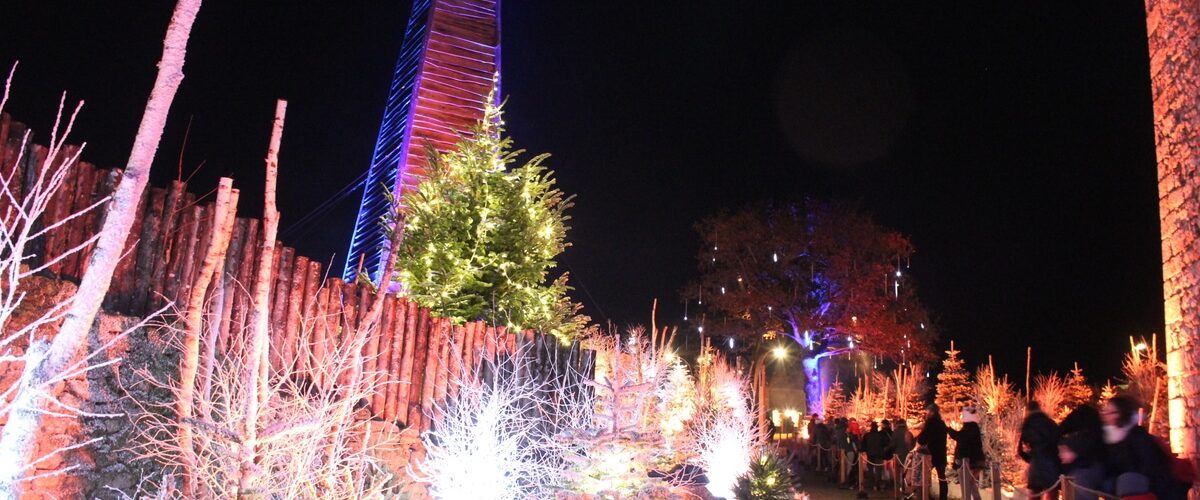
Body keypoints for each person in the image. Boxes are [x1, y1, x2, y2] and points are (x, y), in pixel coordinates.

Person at [1102, 395, 1188, 500]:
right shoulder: (1109, 437)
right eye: (1105, 411)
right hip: (1130, 487)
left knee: (1127, 480)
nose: (1105, 415)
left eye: (1111, 412)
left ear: (1122, 414)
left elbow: (1150, 466)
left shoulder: (1137, 435)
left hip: (1156, 488)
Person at [1057, 404, 1105, 500]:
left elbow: (1061, 430)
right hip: (1090, 467)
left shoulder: (1080, 434)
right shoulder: (1098, 430)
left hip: (1082, 470)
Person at [1019, 401, 1060, 499]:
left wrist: (1029, 458)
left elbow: (1021, 448)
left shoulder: (1027, 425)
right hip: (1051, 463)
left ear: (1028, 410)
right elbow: (1058, 441)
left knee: (1034, 493)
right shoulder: (1050, 423)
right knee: (1051, 493)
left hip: (1036, 463)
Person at [916, 404, 949, 500]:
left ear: (932, 412)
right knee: (942, 477)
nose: (927, 414)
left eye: (928, 412)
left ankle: (926, 495)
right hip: (941, 452)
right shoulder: (941, 423)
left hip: (930, 453)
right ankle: (943, 497)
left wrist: (919, 437)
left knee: (925, 476)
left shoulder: (930, 423)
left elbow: (922, 439)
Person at [948, 406, 985, 479]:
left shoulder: (969, 427)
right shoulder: (974, 427)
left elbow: (960, 436)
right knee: (972, 484)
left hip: (969, 460)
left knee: (967, 483)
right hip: (975, 459)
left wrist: (949, 429)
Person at [863, 421, 890, 490]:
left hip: (870, 454)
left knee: (870, 470)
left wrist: (865, 450)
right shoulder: (881, 435)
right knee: (878, 470)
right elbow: (886, 444)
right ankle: (877, 483)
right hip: (879, 454)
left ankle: (871, 484)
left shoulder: (867, 435)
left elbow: (864, 445)